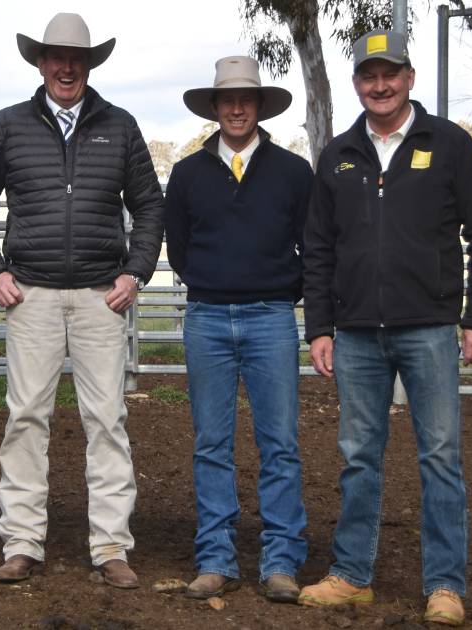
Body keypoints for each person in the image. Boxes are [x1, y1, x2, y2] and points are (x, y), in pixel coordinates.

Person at [297, 30, 472, 626]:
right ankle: (352, 575)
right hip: (357, 331)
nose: (379, 86)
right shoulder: (337, 154)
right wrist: (321, 327)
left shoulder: (451, 145)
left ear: (409, 78)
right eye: (368, 76)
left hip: (431, 326)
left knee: (440, 455)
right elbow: (318, 248)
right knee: (359, 455)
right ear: (357, 81)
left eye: (390, 75)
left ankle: (445, 584)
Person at [0, 12, 165, 588]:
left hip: (104, 297)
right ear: (40, 62)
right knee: (26, 418)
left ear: (89, 64)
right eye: (55, 57)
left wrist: (137, 272)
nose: (66, 67)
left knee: (107, 420)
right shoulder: (7, 126)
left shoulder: (120, 127)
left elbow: (149, 206)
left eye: (76, 58)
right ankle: (23, 542)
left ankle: (110, 546)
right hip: (32, 295)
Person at [163, 56, 312, 604]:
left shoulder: (294, 173)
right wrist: (211, 281)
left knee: (280, 443)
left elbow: (311, 245)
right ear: (214, 107)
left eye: (246, 99)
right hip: (206, 318)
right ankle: (216, 557)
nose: (236, 108)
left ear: (260, 106)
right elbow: (178, 247)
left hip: (272, 316)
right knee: (211, 443)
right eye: (227, 100)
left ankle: (281, 559)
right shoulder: (188, 174)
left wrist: (281, 290)